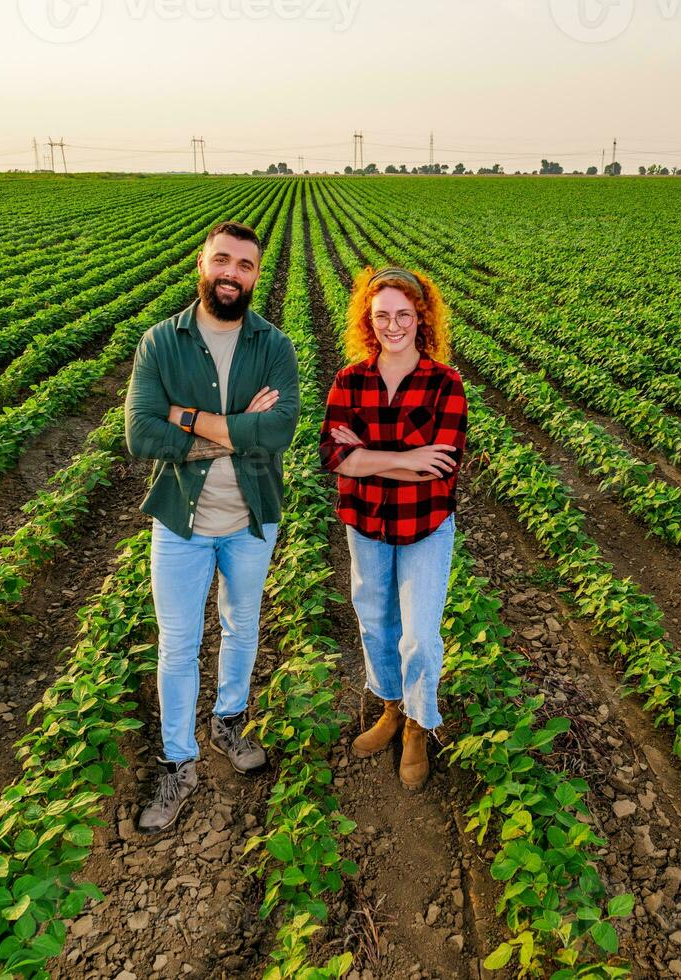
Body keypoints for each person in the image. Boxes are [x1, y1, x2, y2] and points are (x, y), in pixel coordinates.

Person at [124, 220, 299, 833]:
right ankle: (178, 760)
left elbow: (278, 432)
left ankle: (228, 721)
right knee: (177, 644)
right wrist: (232, 429)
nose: (232, 273)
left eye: (245, 265)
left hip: (251, 519)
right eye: (222, 261)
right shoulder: (161, 342)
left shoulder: (273, 345)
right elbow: (141, 434)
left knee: (241, 623)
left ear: (256, 275)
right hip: (181, 521)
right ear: (202, 265)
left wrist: (190, 418)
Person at [319, 265, 467, 791]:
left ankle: (417, 727)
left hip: (426, 524)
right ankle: (389, 706)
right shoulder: (349, 380)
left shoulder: (444, 383)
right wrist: (406, 457)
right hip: (366, 522)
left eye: (404, 314)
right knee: (375, 621)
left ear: (421, 318)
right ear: (368, 319)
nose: (394, 325)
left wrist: (367, 454)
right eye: (382, 315)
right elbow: (334, 456)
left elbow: (442, 464)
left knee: (420, 636)